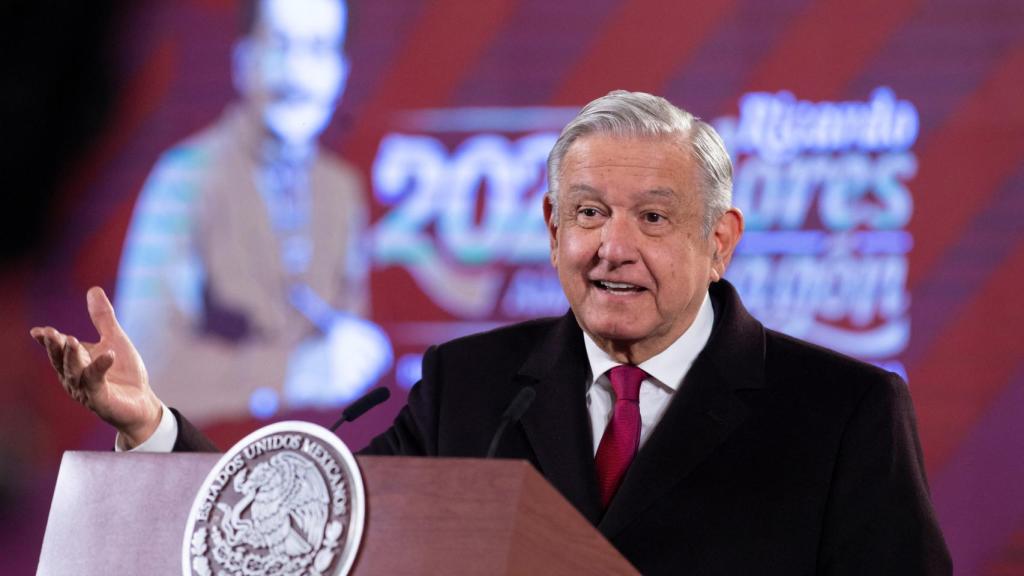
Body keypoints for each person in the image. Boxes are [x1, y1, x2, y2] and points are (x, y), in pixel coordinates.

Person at [32, 90, 951, 574]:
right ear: (551, 230)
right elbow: (313, 535)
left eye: (655, 219)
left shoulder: (843, 413)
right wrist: (153, 427)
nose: (613, 248)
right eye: (587, 213)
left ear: (721, 242)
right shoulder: (472, 387)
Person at [112, 0, 391, 423]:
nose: (297, 75)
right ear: (243, 60)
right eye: (279, 45)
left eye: (318, 49)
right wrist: (292, 373)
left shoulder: (341, 190)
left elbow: (346, 356)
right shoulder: (185, 178)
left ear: (341, 72)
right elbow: (138, 369)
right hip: (204, 465)